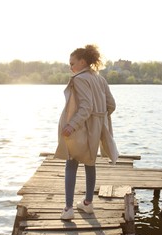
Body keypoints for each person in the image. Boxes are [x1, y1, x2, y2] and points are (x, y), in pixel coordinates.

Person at [54, 44, 119, 220]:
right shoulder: (100, 79)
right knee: (90, 163)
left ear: (82, 61)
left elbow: (86, 107)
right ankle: (88, 204)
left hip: (81, 128)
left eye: (72, 63)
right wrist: (100, 120)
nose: (70, 67)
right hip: (96, 129)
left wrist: (71, 125)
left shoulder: (79, 78)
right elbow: (111, 105)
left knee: (71, 163)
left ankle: (68, 209)